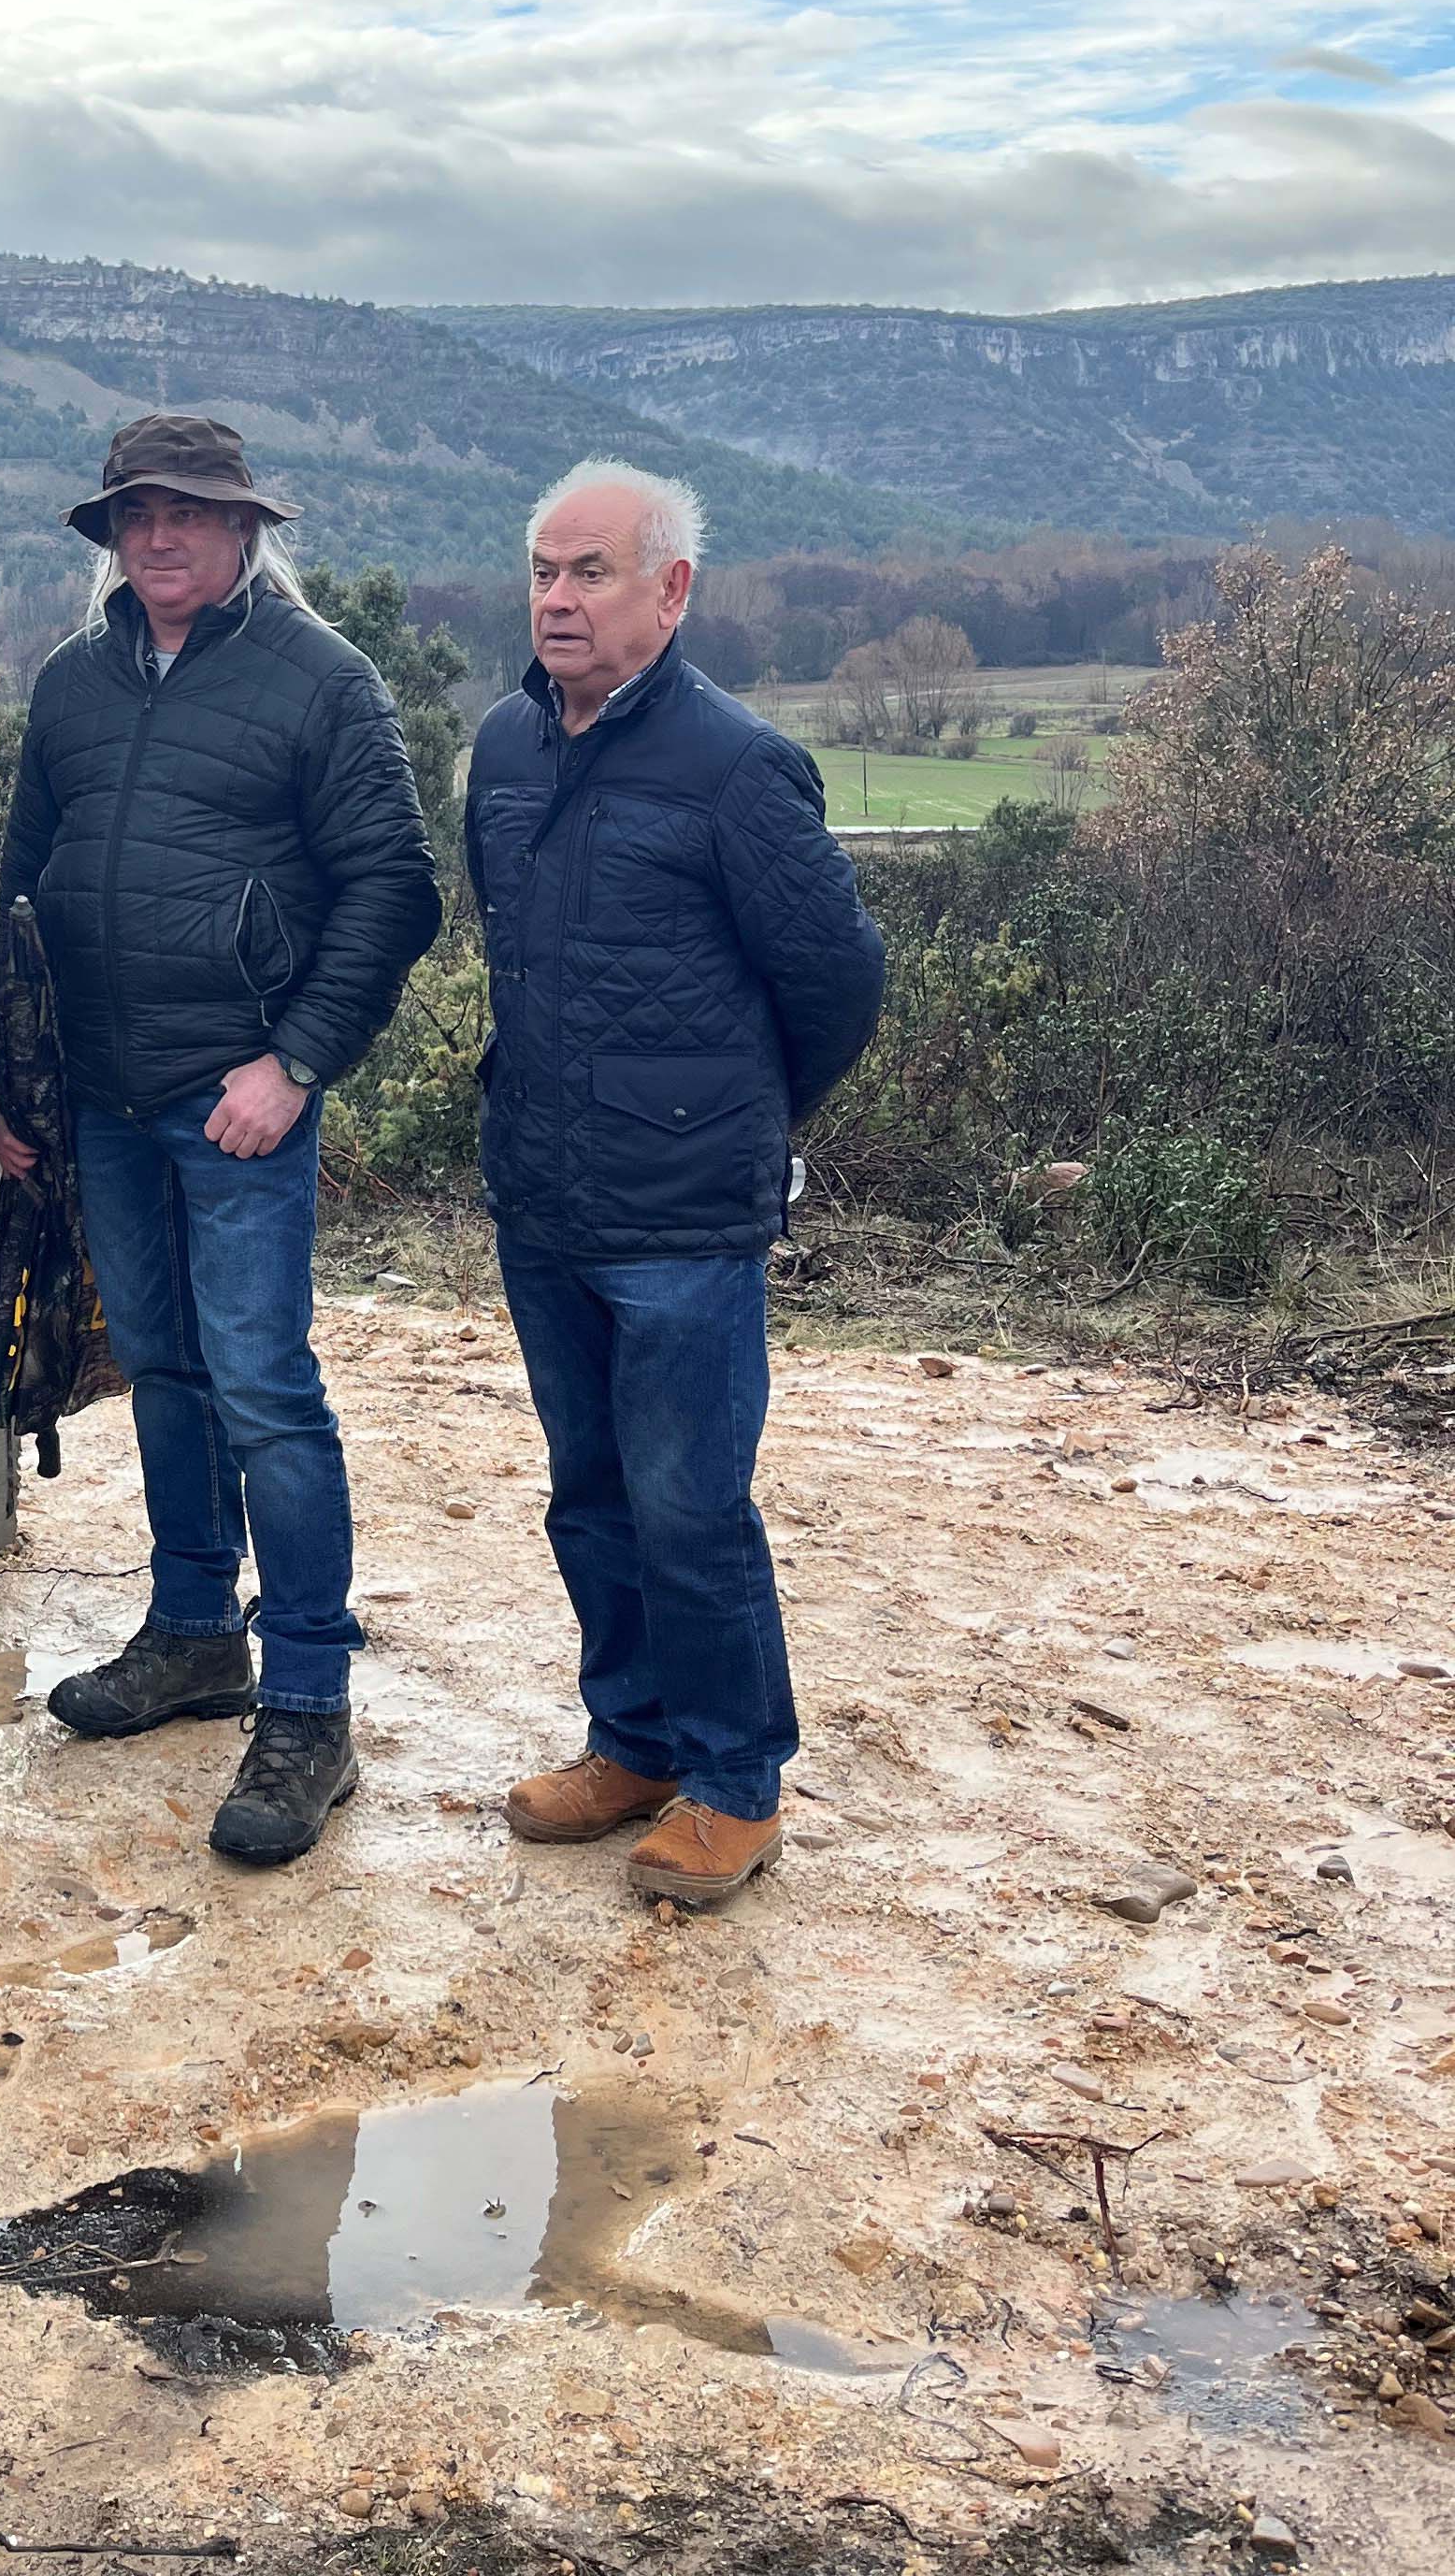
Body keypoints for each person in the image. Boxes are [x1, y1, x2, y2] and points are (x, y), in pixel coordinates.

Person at [0, 415, 442, 1864]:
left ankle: (309, 1698)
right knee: (170, 1371)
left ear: (248, 531)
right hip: (108, 1105)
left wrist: (296, 1062)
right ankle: (195, 1632)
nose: (162, 537)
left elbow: (394, 888)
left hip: (235, 1108)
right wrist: (23, 1082)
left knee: (265, 1388)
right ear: (112, 535)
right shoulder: (71, 684)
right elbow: (25, 883)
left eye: (192, 512)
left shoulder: (323, 681)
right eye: (138, 514)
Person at [468, 458, 885, 1913]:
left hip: (685, 1222)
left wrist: (734, 1119)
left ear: (672, 590)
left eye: (590, 572)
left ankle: (733, 1780)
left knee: (692, 1505)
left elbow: (837, 983)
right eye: (543, 570)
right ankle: (633, 1742)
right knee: (589, 1496)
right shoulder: (507, 751)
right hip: (544, 1196)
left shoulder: (737, 766)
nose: (559, 598)